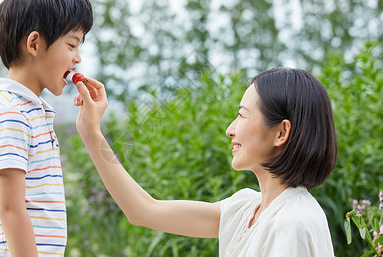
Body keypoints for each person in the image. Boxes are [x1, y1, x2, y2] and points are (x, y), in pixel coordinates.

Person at [73, 68, 338, 256]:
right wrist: (90, 132)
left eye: (242, 116)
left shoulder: (293, 223)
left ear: (281, 133)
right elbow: (143, 210)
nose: (230, 129)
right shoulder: (247, 208)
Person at [0, 0, 93, 257]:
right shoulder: (11, 115)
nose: (78, 57)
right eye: (72, 44)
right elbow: (11, 209)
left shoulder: (30, 112)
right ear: (34, 43)